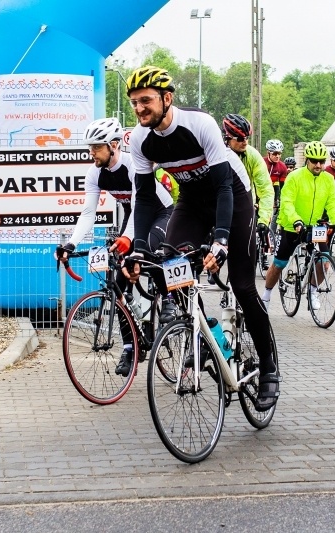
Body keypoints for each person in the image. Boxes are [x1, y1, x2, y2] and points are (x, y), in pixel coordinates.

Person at [123, 66, 279, 412]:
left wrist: (221, 240)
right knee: (167, 264)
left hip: (233, 200)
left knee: (241, 285)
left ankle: (268, 368)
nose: (139, 108)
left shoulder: (200, 124)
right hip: (192, 201)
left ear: (167, 98)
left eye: (145, 100)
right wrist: (137, 246)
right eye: (134, 102)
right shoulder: (139, 139)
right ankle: (204, 333)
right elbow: (145, 198)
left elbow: (224, 186)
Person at [56, 117, 174, 376]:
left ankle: (169, 298)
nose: (91, 152)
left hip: (160, 212)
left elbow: (140, 205)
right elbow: (88, 213)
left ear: (113, 145)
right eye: (90, 146)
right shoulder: (94, 173)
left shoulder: (133, 165)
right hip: (135, 216)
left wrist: (129, 240)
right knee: (118, 285)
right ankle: (131, 347)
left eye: (96, 147)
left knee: (146, 252)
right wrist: (71, 243)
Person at [260, 141, 335, 311]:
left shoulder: (328, 179)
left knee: (324, 263)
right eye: (314, 161)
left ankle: (312, 292)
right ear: (307, 160)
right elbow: (287, 202)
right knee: (279, 264)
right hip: (292, 226)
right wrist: (296, 220)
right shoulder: (295, 177)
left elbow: (332, 203)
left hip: (315, 227)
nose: (318, 165)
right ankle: (266, 296)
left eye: (321, 161)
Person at [223, 113, 274, 270]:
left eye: (246, 137)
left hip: (244, 206)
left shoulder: (252, 155)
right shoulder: (216, 152)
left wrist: (264, 219)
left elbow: (265, 189)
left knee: (245, 259)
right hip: (219, 204)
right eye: (239, 138)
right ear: (227, 138)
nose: (244, 141)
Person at [264, 139, 288, 204]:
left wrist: (281, 200)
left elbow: (282, 186)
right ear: (268, 153)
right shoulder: (261, 162)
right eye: (275, 154)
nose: (277, 156)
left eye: (279, 153)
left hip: (272, 193)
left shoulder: (282, 167)